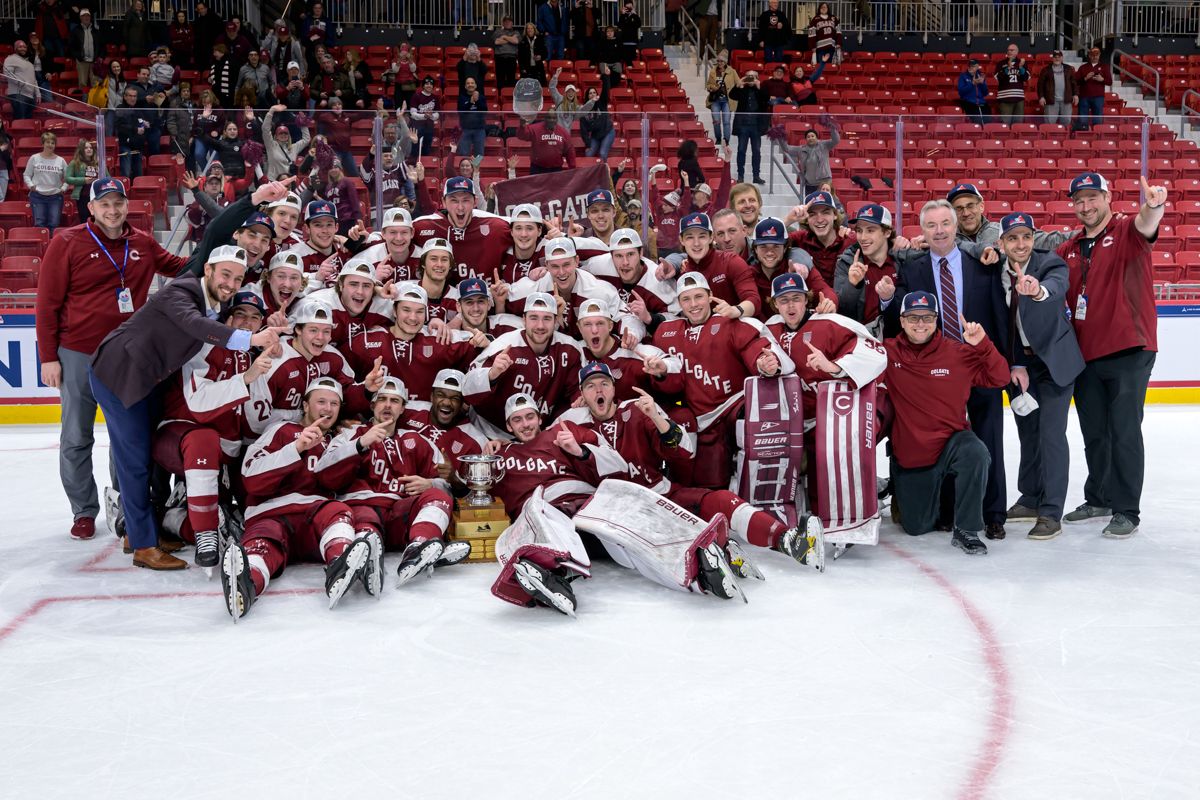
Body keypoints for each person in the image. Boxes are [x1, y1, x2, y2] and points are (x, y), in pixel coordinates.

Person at [90, 242, 287, 571]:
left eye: (238, 279)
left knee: (151, 458)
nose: (231, 284)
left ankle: (144, 529)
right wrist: (251, 340)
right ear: (207, 270)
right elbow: (197, 328)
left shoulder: (213, 304)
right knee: (134, 459)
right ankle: (141, 544)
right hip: (120, 375)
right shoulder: (181, 291)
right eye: (226, 275)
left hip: (149, 379)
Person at [36, 177, 190, 541]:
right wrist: (48, 357)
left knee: (127, 436)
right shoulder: (67, 242)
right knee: (76, 435)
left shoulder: (142, 243)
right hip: (77, 354)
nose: (113, 209)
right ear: (90, 208)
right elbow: (47, 304)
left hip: (126, 357)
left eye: (118, 202)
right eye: (104, 203)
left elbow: (184, 266)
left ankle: (123, 504)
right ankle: (83, 510)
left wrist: (229, 247)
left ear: (127, 205)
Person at [886, 199, 1010, 539]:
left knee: (987, 441)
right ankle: (948, 510)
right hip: (937, 369)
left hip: (976, 362)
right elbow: (901, 315)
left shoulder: (982, 262)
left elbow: (1000, 316)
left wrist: (1010, 361)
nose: (939, 231)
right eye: (931, 226)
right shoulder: (913, 269)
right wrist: (886, 299)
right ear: (922, 232)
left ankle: (993, 513)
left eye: (945, 224)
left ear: (956, 227)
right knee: (944, 442)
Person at [1056, 172, 1165, 538]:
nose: (1085, 206)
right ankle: (1099, 497)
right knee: (1095, 434)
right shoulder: (1069, 248)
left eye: (1092, 198)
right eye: (1078, 200)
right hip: (1086, 356)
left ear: (1107, 197)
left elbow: (1146, 224)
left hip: (1128, 349)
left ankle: (1127, 509)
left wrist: (1154, 206)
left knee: (1124, 431)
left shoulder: (1125, 232)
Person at [225, 376, 375, 618]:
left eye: (334, 404)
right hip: (272, 512)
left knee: (338, 511)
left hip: (313, 521)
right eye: (321, 402)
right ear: (305, 405)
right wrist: (295, 449)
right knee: (265, 542)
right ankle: (248, 583)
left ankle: (341, 561)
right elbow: (251, 477)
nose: (327, 409)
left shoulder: (336, 443)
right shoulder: (282, 430)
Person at [883, 291, 1011, 555]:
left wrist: (983, 344)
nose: (921, 323)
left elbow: (1000, 378)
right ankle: (906, 492)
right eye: (913, 317)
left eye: (928, 317)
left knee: (976, 451)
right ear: (902, 320)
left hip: (952, 445)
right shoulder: (887, 353)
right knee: (916, 527)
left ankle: (966, 529)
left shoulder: (958, 353)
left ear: (937, 319)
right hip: (912, 456)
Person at [153, 290, 270, 567]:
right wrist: (247, 378)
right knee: (203, 439)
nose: (247, 322)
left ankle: (165, 517)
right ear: (225, 319)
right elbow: (199, 405)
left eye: (255, 318)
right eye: (240, 314)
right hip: (179, 436)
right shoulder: (203, 344)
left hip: (222, 448)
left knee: (238, 526)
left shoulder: (252, 355)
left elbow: (256, 423)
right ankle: (204, 531)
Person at [316, 376, 464, 586]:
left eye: (394, 401)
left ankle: (418, 548)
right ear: (372, 404)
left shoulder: (417, 440)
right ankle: (363, 559)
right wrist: (359, 444)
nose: (387, 405)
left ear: (403, 408)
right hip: (362, 508)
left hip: (398, 514)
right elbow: (323, 474)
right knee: (366, 521)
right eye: (382, 399)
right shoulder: (350, 435)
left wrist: (430, 484)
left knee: (437, 496)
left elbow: (448, 487)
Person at [992, 212, 1085, 541]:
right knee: (1028, 432)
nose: (1021, 244)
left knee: (1051, 434)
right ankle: (1030, 497)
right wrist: (1014, 362)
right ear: (1001, 243)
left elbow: (1057, 288)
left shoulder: (1049, 264)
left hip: (1053, 363)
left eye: (1026, 237)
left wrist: (1037, 290)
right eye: (1013, 238)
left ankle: (1050, 511)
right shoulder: (993, 273)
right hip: (1019, 366)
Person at [833, 203, 898, 337]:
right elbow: (841, 312)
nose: (862, 237)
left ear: (887, 232)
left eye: (870, 230)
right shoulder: (846, 262)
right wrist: (852, 285)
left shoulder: (902, 261)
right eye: (859, 230)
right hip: (862, 340)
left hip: (899, 339)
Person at [729, 70, 770, 185]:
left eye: (753, 77)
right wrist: (739, 84)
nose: (751, 79)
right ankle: (740, 175)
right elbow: (732, 95)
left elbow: (766, 99)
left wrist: (759, 87)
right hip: (743, 125)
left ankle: (756, 175)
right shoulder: (742, 89)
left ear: (757, 78)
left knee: (756, 151)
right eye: (748, 77)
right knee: (741, 150)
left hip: (756, 125)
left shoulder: (761, 89)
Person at [23, 131, 68, 232]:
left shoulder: (61, 160)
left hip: (55, 196)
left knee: (54, 224)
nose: (50, 145)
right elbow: (26, 174)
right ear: (42, 143)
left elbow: (68, 178)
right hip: (37, 196)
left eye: (53, 143)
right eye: (48, 142)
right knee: (39, 224)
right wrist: (31, 185)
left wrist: (64, 188)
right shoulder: (34, 158)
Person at [785, 119, 839, 196]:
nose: (810, 138)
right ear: (806, 139)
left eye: (812, 136)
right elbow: (787, 149)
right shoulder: (801, 149)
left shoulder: (824, 145)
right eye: (808, 137)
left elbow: (836, 140)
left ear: (816, 137)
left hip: (824, 182)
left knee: (825, 203)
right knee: (810, 205)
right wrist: (781, 138)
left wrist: (832, 128)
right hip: (809, 184)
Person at [63, 139, 101, 225]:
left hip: (97, 196)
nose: (89, 149)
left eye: (90, 147)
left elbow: (108, 177)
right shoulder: (74, 163)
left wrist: (100, 180)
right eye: (86, 148)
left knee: (98, 220)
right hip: (83, 196)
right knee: (85, 220)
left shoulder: (99, 163)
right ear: (81, 150)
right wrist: (83, 180)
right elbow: (67, 178)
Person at [706, 52, 738, 148]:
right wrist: (713, 87)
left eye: (722, 61)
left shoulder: (732, 71)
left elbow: (738, 83)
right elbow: (708, 85)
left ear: (725, 62)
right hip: (715, 100)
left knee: (727, 121)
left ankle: (726, 140)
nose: (719, 63)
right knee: (716, 121)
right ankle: (719, 138)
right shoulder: (713, 71)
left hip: (727, 101)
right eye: (718, 61)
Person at [1074, 47, 1111, 130]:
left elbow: (1110, 82)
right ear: (1089, 56)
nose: (1094, 57)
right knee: (1083, 118)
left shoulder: (1104, 67)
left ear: (1099, 55)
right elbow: (1075, 81)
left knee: (1097, 117)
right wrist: (1085, 78)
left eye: (1096, 55)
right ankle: (1083, 134)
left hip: (1098, 96)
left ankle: (1096, 134)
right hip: (1084, 96)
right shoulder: (1083, 67)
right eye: (1092, 55)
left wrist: (1102, 80)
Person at [1037, 50, 1077, 127]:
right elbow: (1040, 85)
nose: (1057, 59)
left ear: (1062, 58)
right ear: (1052, 58)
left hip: (1066, 100)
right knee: (1049, 123)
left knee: (1066, 122)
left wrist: (1075, 95)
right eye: (1055, 57)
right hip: (1051, 100)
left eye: (1059, 57)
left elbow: (1074, 83)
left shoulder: (1068, 69)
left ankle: (1064, 138)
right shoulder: (1046, 70)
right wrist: (1041, 97)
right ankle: (1049, 139)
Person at [994, 42, 1030, 125]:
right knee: (1005, 124)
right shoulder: (1001, 63)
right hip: (1005, 98)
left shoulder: (1021, 63)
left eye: (1012, 50)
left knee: (1018, 124)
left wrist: (1021, 68)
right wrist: (1007, 68)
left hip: (1018, 97)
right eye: (1008, 50)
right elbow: (998, 78)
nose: (1009, 51)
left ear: (1017, 52)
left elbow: (1026, 78)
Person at [3, 40, 39, 120]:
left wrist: (38, 93)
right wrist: (21, 83)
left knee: (28, 121)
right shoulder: (10, 58)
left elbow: (34, 80)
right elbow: (8, 73)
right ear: (15, 48)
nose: (23, 48)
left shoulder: (30, 64)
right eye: (20, 46)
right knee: (20, 120)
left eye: (24, 47)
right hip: (18, 95)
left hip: (30, 96)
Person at [68, 8, 101, 91]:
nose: (86, 17)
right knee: (82, 84)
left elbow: (101, 45)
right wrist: (78, 56)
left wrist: (99, 56)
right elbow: (71, 46)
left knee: (96, 83)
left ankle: (95, 102)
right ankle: (83, 102)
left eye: (88, 16)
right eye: (84, 16)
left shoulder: (96, 31)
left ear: (90, 17)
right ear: (80, 18)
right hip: (82, 61)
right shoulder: (75, 31)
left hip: (94, 61)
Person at [457, 77, 488, 158]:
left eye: (472, 83)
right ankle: (465, 170)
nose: (470, 85)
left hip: (479, 129)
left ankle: (476, 170)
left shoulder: (481, 97)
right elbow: (460, 112)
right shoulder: (461, 98)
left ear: (475, 85)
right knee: (464, 153)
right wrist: (470, 103)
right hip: (465, 130)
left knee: (479, 155)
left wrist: (477, 101)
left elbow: (485, 111)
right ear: (465, 86)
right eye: (468, 83)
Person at [957, 58, 990, 125]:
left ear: (978, 67)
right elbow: (961, 92)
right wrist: (972, 84)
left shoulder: (980, 76)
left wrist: (982, 83)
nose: (971, 68)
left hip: (982, 102)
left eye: (973, 66)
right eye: (969, 66)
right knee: (977, 123)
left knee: (988, 121)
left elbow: (985, 93)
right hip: (969, 103)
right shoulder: (963, 76)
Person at [493, 17, 520, 90]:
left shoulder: (516, 32)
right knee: (500, 79)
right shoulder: (497, 32)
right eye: (506, 22)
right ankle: (500, 96)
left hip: (511, 58)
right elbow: (496, 42)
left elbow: (516, 41)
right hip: (500, 58)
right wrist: (510, 39)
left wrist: (504, 37)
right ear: (503, 23)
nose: (508, 23)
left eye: (509, 21)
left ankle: (510, 97)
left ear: (512, 23)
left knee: (511, 79)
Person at [617, 1, 641, 66]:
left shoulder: (634, 16)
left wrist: (635, 15)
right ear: (624, 8)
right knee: (625, 59)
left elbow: (639, 24)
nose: (629, 9)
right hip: (624, 41)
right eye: (627, 7)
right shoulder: (623, 16)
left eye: (630, 7)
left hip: (633, 41)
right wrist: (622, 14)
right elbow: (620, 26)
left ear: (633, 7)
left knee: (632, 59)